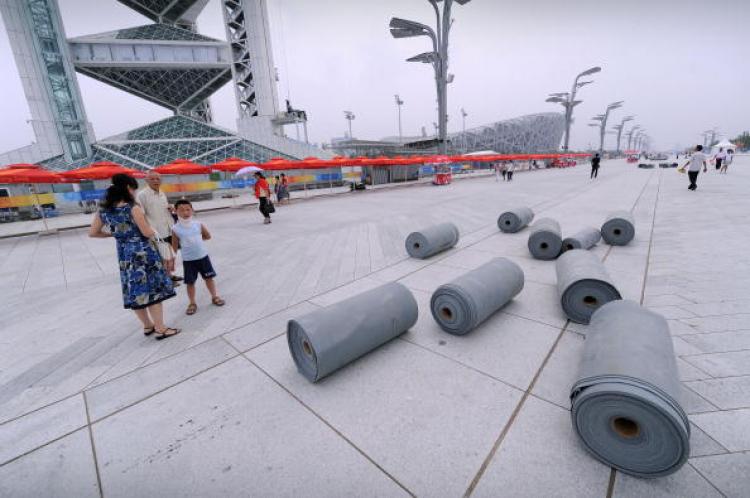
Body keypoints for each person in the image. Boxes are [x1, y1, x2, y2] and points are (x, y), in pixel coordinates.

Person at [89, 174, 180, 339]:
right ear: (128, 188)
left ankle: (147, 326)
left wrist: (116, 235)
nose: (135, 192)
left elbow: (93, 233)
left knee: (134, 291)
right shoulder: (132, 207)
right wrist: (156, 233)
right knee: (153, 291)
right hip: (144, 253)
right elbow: (146, 232)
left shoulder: (104, 210)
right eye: (134, 189)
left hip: (125, 255)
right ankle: (161, 328)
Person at [171, 200, 225, 315]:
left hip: (203, 257)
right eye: (181, 210)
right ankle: (192, 303)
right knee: (190, 283)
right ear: (175, 212)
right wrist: (172, 260)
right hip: (188, 260)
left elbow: (208, 236)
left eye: (188, 209)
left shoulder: (198, 224)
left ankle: (214, 296)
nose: (185, 212)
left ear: (192, 210)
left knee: (209, 278)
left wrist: (197, 242)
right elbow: (174, 247)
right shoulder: (175, 229)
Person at [136, 171, 180, 285]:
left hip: (168, 228)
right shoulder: (142, 195)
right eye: (152, 179)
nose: (156, 181)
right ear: (146, 180)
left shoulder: (162, 192)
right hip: (156, 231)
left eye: (158, 179)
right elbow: (141, 214)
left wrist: (170, 208)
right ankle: (166, 280)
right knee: (162, 256)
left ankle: (170, 275)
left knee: (170, 254)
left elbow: (163, 209)